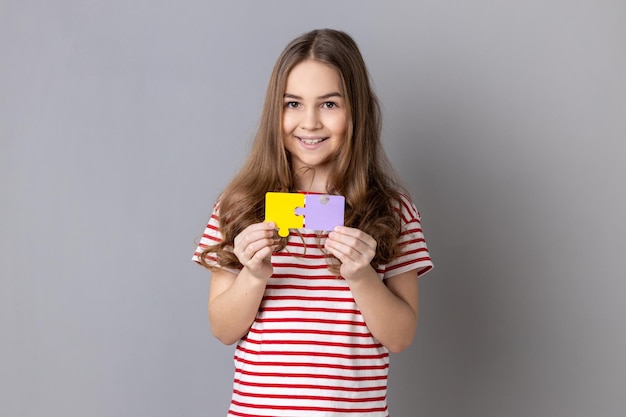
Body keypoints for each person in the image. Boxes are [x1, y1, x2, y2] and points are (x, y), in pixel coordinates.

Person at [193, 28, 433, 417]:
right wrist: (253, 274)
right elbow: (223, 329)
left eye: (329, 104)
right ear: (276, 109)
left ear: (356, 110)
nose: (309, 122)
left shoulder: (390, 210)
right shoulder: (239, 205)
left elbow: (401, 336)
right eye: (292, 103)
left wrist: (362, 276)